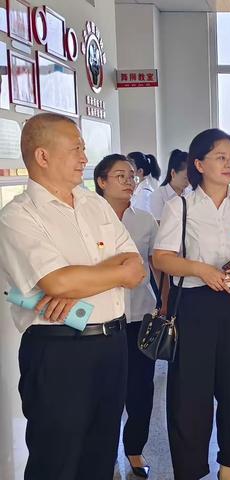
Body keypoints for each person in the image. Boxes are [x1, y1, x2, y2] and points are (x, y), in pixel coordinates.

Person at [0, 113, 146, 480]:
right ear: (43, 156)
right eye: (76, 149)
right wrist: (95, 278)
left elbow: (135, 267)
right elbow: (59, 283)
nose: (85, 158)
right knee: (57, 460)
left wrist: (76, 281)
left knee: (99, 457)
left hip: (112, 345)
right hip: (59, 351)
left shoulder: (94, 204)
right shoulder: (18, 216)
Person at [153, 128, 230, 480]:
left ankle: (229, 464)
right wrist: (200, 270)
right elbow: (162, 258)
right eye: (221, 157)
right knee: (191, 390)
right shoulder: (181, 206)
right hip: (194, 304)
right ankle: (190, 468)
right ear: (199, 163)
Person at [94, 154, 159, 478]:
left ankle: (134, 449)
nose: (129, 181)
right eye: (120, 176)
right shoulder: (88, 220)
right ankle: (103, 453)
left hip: (140, 316)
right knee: (105, 390)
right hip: (101, 319)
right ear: (101, 182)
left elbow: (158, 268)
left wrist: (165, 308)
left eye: (132, 175)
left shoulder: (145, 220)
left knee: (141, 389)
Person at [150, 149, 190, 222]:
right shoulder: (159, 195)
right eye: (186, 178)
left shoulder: (189, 194)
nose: (188, 183)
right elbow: (158, 226)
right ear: (173, 173)